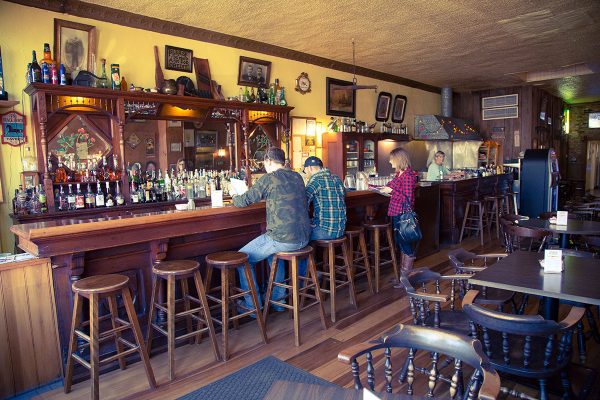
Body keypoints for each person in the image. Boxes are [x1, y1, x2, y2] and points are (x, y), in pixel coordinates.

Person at [231, 147, 311, 310]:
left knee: (241, 258)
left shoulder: (268, 179)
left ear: (268, 161)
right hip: (304, 237)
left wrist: (233, 194)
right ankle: (278, 301)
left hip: (284, 238)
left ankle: (252, 307)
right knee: (272, 253)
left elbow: (242, 201)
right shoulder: (297, 176)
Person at [299, 156, 347, 277]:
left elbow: (303, 203)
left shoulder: (315, 180)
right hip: (341, 229)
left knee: (298, 238)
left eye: (306, 171)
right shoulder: (336, 178)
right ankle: (314, 272)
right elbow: (343, 195)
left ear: (309, 168)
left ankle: (306, 279)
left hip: (326, 231)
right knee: (307, 230)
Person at [383, 147, 419, 274]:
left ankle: (406, 276)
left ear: (398, 159)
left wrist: (391, 191)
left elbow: (408, 198)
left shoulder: (408, 176)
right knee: (400, 242)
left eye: (391, 159)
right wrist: (370, 186)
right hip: (396, 212)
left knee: (404, 243)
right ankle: (403, 276)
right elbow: (388, 187)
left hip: (403, 213)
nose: (389, 162)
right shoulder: (399, 174)